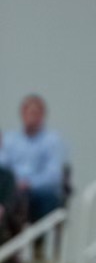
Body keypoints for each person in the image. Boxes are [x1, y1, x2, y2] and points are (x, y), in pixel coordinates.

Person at [0, 96, 67, 224]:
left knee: (45, 198)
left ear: (42, 115)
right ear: (22, 114)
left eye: (35, 113)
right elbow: (3, 165)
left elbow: (53, 175)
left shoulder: (51, 140)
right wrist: (14, 183)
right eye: (29, 113)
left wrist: (29, 184)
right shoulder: (11, 139)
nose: (31, 117)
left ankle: (40, 235)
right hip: (14, 190)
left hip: (38, 192)